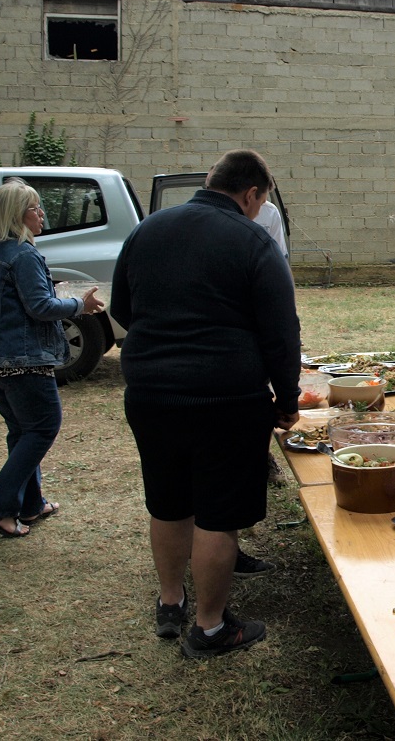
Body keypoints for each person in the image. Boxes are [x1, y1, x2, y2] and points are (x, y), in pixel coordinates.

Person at [111, 149, 301, 658]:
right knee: (218, 514)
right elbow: (282, 332)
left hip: (150, 393)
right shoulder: (252, 240)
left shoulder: (147, 230)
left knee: (168, 500)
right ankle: (211, 628)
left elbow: (122, 308)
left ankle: (170, 601)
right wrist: (286, 399)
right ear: (252, 194)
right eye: (262, 202)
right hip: (226, 398)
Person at [0, 180, 104, 538]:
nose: (41, 214)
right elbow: (40, 307)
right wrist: (79, 305)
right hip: (22, 361)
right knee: (42, 427)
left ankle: (30, 504)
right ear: (17, 215)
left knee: (22, 431)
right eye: (35, 209)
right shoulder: (23, 255)